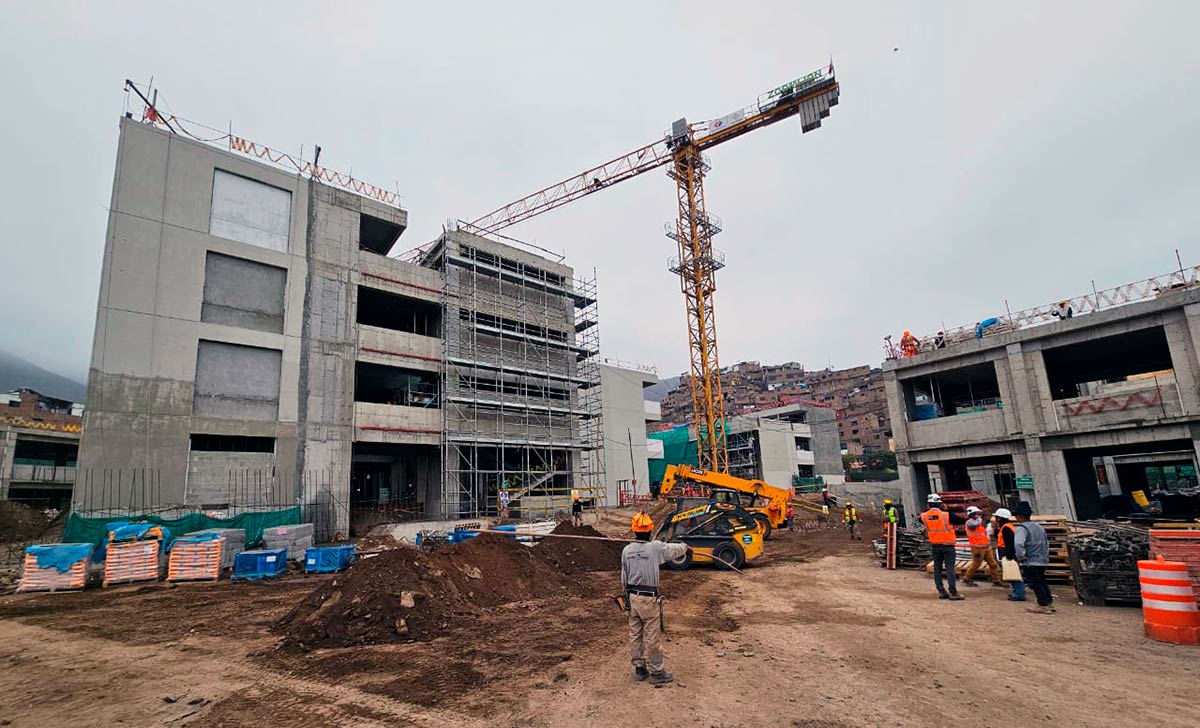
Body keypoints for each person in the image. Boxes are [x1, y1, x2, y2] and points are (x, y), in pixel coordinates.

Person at [622, 513, 688, 685]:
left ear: (634, 530)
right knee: (652, 636)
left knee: (635, 635)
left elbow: (623, 577)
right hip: (649, 599)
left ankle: (639, 668)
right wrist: (685, 546)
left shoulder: (627, 551)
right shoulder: (655, 548)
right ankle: (657, 672)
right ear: (650, 529)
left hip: (632, 598)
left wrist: (626, 600)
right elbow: (675, 550)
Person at [1012, 501, 1055, 614]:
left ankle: (1042, 605)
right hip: (1042, 560)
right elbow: (1046, 543)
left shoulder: (1022, 528)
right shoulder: (1039, 527)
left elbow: (1018, 544)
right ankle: (1049, 603)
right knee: (1042, 581)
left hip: (1030, 560)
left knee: (1035, 583)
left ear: (1018, 516)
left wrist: (1021, 557)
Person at [921, 493, 964, 601]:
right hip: (948, 545)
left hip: (935, 545)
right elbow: (960, 520)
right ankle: (953, 592)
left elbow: (923, 518)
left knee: (937, 568)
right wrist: (947, 510)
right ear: (940, 504)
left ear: (929, 504)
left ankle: (941, 591)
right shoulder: (946, 515)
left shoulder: (924, 516)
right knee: (950, 568)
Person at [961, 506, 1004, 587]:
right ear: (972, 514)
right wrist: (979, 520)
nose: (979, 515)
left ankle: (996, 580)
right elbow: (973, 526)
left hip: (985, 547)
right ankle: (966, 579)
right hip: (977, 548)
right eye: (977, 514)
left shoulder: (979, 524)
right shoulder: (969, 522)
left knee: (993, 564)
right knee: (976, 564)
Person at [994, 507, 1026, 602]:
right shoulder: (1006, 527)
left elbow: (1010, 543)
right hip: (1007, 552)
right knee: (1012, 573)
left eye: (997, 517)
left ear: (1000, 518)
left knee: (1013, 574)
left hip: (1008, 553)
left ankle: (1019, 594)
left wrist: (1009, 556)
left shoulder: (1006, 528)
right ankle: (1017, 592)